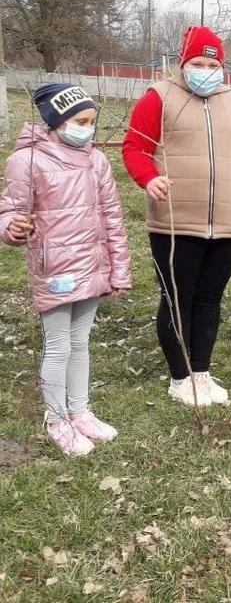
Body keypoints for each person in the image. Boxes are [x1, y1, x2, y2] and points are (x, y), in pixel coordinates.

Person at [122, 25, 231, 407]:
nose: (205, 69)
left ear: (222, 67)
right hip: (175, 221)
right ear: (183, 64)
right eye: (197, 63)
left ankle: (201, 371)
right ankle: (179, 377)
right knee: (177, 300)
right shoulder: (160, 97)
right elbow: (135, 147)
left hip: (228, 223)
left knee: (208, 300)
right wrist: (148, 179)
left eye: (211, 63)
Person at [0, 84, 131, 456]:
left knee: (81, 342)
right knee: (58, 347)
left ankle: (80, 410)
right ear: (56, 122)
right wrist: (12, 228)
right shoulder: (27, 161)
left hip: (92, 267)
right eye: (80, 121)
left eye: (91, 121)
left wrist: (118, 270)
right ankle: (56, 418)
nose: (87, 129)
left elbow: (113, 219)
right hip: (55, 269)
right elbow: (9, 211)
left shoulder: (96, 161)